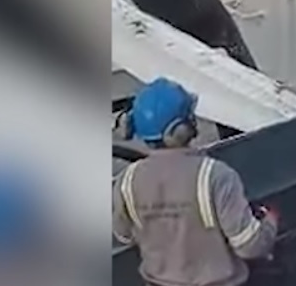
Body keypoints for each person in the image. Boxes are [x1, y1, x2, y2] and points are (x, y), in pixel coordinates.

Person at [112, 78, 279, 286]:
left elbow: (124, 235)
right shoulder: (216, 176)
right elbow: (250, 246)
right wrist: (270, 222)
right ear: (178, 129)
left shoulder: (127, 182)